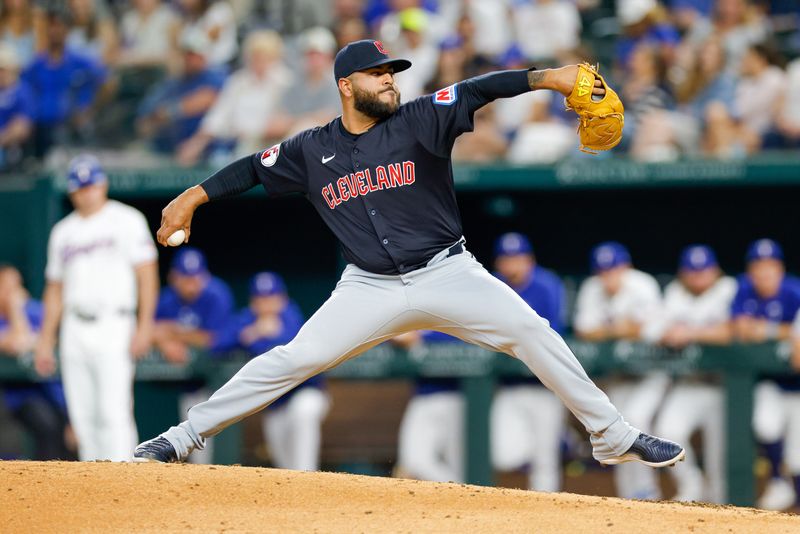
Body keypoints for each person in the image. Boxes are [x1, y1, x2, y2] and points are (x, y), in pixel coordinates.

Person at [134, 39, 685, 473]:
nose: (390, 80)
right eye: (378, 74)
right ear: (346, 85)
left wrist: (548, 78)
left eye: (392, 72)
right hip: (368, 287)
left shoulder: (421, 119)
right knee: (292, 359)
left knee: (533, 330)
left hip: (448, 271)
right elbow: (252, 168)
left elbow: (477, 89)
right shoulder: (309, 149)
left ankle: (612, 436)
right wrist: (190, 197)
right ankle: (182, 437)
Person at [34, 155, 159, 462]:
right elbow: (55, 289)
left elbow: (147, 275)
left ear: (102, 184)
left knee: (112, 410)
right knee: (82, 413)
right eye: (80, 187)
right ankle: (93, 492)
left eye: (91, 185)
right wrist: (46, 340)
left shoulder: (127, 219)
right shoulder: (63, 231)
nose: (86, 192)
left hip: (114, 322)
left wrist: (145, 326)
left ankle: (122, 482)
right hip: (74, 326)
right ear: (72, 191)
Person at [574, 242, 665, 500]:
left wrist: (609, 329)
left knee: (637, 419)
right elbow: (583, 329)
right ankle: (629, 498)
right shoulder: (593, 288)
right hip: (618, 376)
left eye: (613, 269)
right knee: (615, 434)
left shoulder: (642, 284)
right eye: (603, 271)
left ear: (626, 267)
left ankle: (650, 493)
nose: (608, 276)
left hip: (651, 373)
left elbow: (648, 330)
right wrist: (622, 327)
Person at [647, 245, 737, 503]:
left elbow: (733, 331)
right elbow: (656, 328)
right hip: (689, 382)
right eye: (692, 271)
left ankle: (724, 512)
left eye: (703, 270)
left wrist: (691, 333)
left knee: (719, 457)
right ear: (683, 273)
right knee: (667, 430)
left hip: (724, 385)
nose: (698, 276)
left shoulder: (728, 288)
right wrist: (667, 332)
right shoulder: (676, 292)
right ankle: (692, 486)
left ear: (715, 270)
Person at [217, 271, 329, 471]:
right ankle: (297, 490)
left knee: (304, 411)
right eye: (261, 299)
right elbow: (216, 344)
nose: (267, 304)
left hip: (305, 392)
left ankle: (309, 476)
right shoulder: (249, 320)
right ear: (253, 302)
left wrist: (266, 338)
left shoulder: (291, 316)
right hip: (276, 404)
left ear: (282, 299)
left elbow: (290, 350)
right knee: (284, 467)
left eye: (271, 298)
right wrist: (252, 333)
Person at [490, 232, 566, 492]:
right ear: (499, 263)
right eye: (507, 259)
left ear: (530, 260)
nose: (513, 264)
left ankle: (547, 522)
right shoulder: (493, 286)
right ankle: (561, 440)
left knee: (545, 462)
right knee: (503, 454)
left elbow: (555, 329)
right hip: (510, 387)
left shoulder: (547, 284)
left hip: (545, 386)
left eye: (518, 258)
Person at [731, 238, 800, 510]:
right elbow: (737, 327)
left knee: (797, 457)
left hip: (798, 388)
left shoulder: (794, 292)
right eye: (758, 267)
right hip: (771, 382)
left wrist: (770, 330)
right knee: (765, 424)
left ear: (779, 269)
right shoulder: (744, 290)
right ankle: (776, 480)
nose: (763, 274)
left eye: (769, 267)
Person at [153, 246, 233, 463]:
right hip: (186, 385)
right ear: (173, 277)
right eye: (185, 278)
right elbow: (152, 329)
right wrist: (165, 343)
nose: (191, 284)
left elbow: (214, 339)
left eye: (196, 278)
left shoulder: (217, 293)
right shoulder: (167, 298)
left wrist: (174, 331)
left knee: (209, 440)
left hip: (216, 379)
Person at [0, 264, 72, 460]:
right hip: (15, 396)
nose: (13, 293)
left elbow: (55, 337)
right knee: (46, 423)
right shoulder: (15, 313)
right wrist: (16, 311)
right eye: (6, 287)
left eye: (16, 286)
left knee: (69, 427)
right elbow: (18, 342)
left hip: (50, 390)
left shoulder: (34, 310)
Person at [21, 8, 106, 157]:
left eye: (59, 25)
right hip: (40, 131)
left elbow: (108, 83)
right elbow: (24, 93)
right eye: (51, 26)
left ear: (67, 30)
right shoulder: (35, 66)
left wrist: (89, 109)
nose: (55, 30)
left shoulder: (81, 62)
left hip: (72, 130)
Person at [393, 330, 466, 483]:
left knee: (459, 462)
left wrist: (417, 338)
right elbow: (399, 336)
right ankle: (461, 492)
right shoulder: (418, 317)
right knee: (413, 464)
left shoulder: (457, 319)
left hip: (461, 399)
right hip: (424, 397)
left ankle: (466, 495)